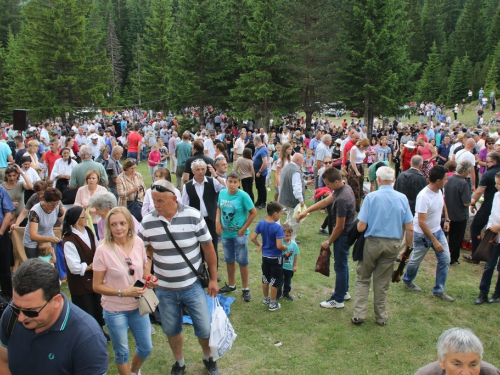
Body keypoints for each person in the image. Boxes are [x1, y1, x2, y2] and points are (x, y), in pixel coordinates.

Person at [138, 180, 220, 375]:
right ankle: (179, 363)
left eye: (160, 201)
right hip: (164, 289)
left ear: (174, 198)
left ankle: (209, 358)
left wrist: (214, 279)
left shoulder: (193, 215)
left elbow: (208, 248)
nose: (155, 205)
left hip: (192, 286)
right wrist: (146, 271)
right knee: (172, 330)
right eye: (153, 200)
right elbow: (143, 251)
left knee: (204, 329)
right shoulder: (148, 222)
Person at [0, 259, 108, 375]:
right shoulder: (11, 314)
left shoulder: (87, 338)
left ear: (56, 301)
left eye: (31, 312)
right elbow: (3, 361)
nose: (20, 318)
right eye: (16, 307)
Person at [93, 207, 156, 375]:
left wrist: (149, 279)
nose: (118, 228)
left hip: (138, 305)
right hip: (115, 310)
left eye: (122, 223)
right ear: (108, 227)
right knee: (122, 352)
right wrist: (122, 292)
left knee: (146, 347)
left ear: (129, 224)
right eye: (113, 224)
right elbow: (97, 286)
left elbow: (142, 269)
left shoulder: (138, 242)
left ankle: (134, 372)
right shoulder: (102, 250)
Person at [351, 166, 413, 326]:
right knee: (382, 281)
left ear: (378, 180)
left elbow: (361, 226)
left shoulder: (371, 197)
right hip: (393, 244)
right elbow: (410, 227)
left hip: (373, 242)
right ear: (393, 180)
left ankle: (359, 314)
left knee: (363, 277)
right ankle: (380, 317)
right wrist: (408, 249)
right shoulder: (402, 198)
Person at [297, 167, 356, 309]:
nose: (326, 187)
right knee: (342, 264)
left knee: (340, 266)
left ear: (336, 181)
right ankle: (344, 291)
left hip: (342, 236)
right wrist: (307, 211)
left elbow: (339, 227)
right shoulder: (343, 187)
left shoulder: (342, 199)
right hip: (344, 234)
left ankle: (338, 299)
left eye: (328, 184)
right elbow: (325, 202)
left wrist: (328, 242)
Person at [402, 166, 454, 302]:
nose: (447, 181)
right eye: (445, 179)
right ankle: (407, 280)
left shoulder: (439, 189)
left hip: (437, 230)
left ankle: (439, 290)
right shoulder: (424, 196)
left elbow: (443, 203)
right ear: (438, 180)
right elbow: (421, 222)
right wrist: (434, 241)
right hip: (422, 235)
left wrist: (446, 219)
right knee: (416, 260)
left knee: (445, 259)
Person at [62, 206, 108, 340]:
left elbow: (96, 248)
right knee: (87, 309)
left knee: (97, 307)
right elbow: (74, 267)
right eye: (84, 216)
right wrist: (90, 267)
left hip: (94, 279)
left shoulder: (88, 231)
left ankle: (100, 331)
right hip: (80, 283)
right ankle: (90, 337)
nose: (87, 219)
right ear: (76, 220)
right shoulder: (69, 240)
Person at [216, 171, 257, 300]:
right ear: (226, 181)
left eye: (235, 182)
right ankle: (231, 284)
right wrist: (217, 222)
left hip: (239, 235)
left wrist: (243, 229)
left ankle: (245, 288)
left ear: (239, 183)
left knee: (243, 261)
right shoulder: (222, 193)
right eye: (230, 181)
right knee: (229, 259)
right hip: (226, 234)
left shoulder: (243, 196)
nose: (232, 184)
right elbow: (219, 207)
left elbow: (253, 213)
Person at [182, 159, 226, 268]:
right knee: (198, 246)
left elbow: (226, 186)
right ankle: (200, 271)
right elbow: (184, 205)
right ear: (193, 171)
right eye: (198, 169)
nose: (200, 172)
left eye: (203, 169)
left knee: (213, 245)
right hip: (196, 221)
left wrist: (215, 175)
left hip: (211, 219)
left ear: (206, 170)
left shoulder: (212, 181)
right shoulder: (187, 186)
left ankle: (214, 271)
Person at [250, 201, 287, 312]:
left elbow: (253, 238)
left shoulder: (261, 223)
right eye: (280, 213)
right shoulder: (277, 228)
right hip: (276, 258)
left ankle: (266, 299)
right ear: (275, 213)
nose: (280, 215)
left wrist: (260, 245)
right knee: (275, 282)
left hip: (265, 257)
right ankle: (273, 303)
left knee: (265, 279)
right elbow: (279, 245)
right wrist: (285, 248)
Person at [414, 327, 499, 375]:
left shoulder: (491, 373)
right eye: (457, 364)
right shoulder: (425, 373)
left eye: (473, 365)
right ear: (441, 362)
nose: (466, 373)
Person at [466, 152, 500, 262]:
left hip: (488, 205)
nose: (485, 164)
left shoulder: (489, 174)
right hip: (494, 205)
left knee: (475, 227)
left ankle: (477, 255)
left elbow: (479, 191)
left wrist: (472, 203)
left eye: (487, 162)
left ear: (494, 162)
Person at [474, 171, 500, 305]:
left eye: (499, 183)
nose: (496, 186)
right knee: (489, 265)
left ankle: (497, 294)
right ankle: (483, 293)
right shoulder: (496, 195)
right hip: (494, 236)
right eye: (496, 183)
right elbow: (493, 214)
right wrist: (488, 231)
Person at [22, 187, 64, 259]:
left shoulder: (57, 206)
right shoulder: (35, 212)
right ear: (45, 200)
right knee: (36, 267)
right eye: (52, 204)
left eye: (57, 203)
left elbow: (64, 220)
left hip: (49, 237)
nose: (55, 206)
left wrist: (65, 225)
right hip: (32, 242)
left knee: (53, 263)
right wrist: (50, 239)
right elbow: (33, 236)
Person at [445, 160, 473, 265]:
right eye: (469, 171)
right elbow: (466, 202)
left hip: (449, 212)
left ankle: (448, 255)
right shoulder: (463, 183)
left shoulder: (449, 178)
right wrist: (472, 201)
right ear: (465, 171)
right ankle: (453, 258)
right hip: (459, 215)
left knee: (450, 236)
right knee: (456, 238)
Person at [278, 153, 305, 242]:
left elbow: (290, 181)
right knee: (294, 221)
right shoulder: (295, 171)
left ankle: (280, 234)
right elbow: (296, 188)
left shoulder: (287, 167)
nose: (303, 162)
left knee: (289, 218)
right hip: (292, 200)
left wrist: (305, 183)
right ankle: (290, 239)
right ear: (297, 160)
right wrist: (301, 200)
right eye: (302, 160)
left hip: (285, 198)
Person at [74, 170, 107, 236]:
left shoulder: (103, 190)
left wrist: (95, 210)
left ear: (97, 180)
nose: (91, 180)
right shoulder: (81, 190)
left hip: (98, 221)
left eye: (93, 178)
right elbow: (76, 204)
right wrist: (83, 207)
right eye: (89, 178)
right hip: (85, 222)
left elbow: (106, 206)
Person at [276, 223, 300, 301]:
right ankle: (278, 294)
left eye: (289, 235)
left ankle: (286, 293)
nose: (288, 237)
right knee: (280, 281)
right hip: (281, 267)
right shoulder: (280, 244)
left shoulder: (294, 245)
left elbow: (295, 255)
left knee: (288, 282)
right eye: (286, 235)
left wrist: (294, 266)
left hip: (289, 268)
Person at [348, 137, 369, 212]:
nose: (363, 147)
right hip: (354, 168)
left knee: (360, 187)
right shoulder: (354, 148)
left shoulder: (363, 150)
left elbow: (362, 158)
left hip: (361, 166)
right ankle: (353, 206)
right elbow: (352, 161)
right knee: (355, 187)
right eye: (363, 146)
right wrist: (356, 171)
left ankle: (358, 206)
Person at [253, 136, 269, 209]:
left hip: (261, 173)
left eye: (254, 141)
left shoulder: (263, 150)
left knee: (262, 187)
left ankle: (263, 202)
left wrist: (260, 171)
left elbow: (265, 162)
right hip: (256, 172)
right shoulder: (257, 149)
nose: (253, 143)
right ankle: (259, 200)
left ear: (256, 141)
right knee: (258, 187)